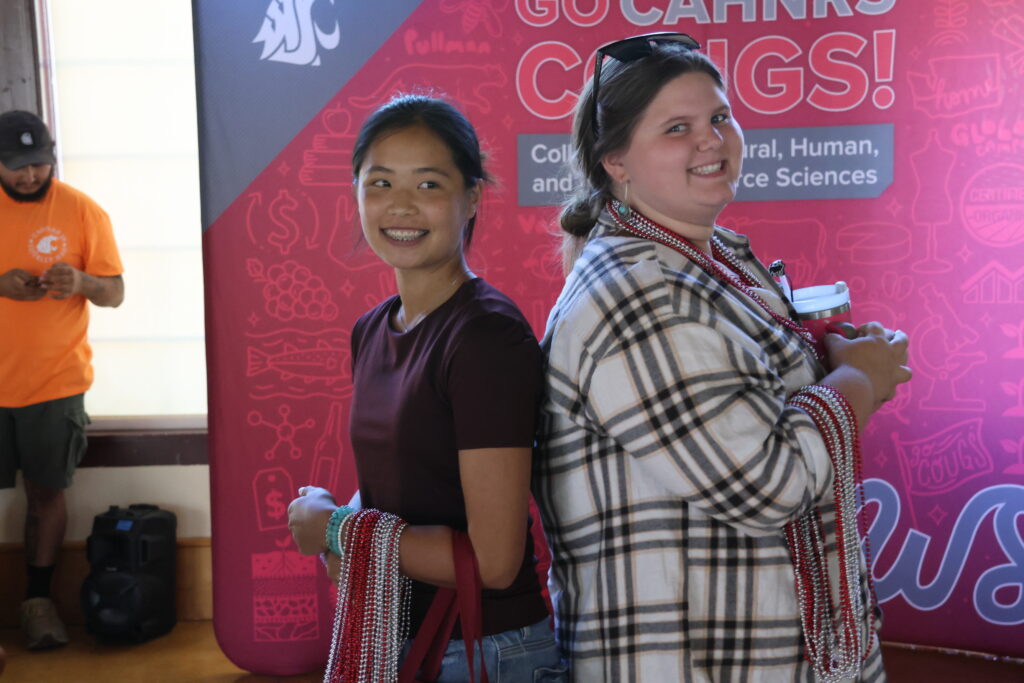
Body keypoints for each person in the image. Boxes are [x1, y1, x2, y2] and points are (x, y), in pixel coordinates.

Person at [533, 34, 911, 681]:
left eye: (718, 117)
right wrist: (859, 380)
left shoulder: (703, 254)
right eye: (676, 128)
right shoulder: (634, 294)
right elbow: (769, 482)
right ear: (616, 161)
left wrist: (837, 353)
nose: (711, 140)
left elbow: (750, 399)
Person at [287, 94, 565, 681]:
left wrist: (335, 529)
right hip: (401, 637)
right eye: (380, 183)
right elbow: (404, 498)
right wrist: (339, 517)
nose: (401, 206)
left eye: (430, 185)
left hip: (486, 649)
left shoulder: (485, 336)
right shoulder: (373, 329)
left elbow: (492, 561)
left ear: (471, 199)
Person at [0, 110, 125, 649]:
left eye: (37, 164)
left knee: (47, 495)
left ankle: (38, 602)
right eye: (14, 167)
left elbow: (115, 292)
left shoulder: (81, 211)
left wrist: (81, 280)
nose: (28, 176)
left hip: (55, 384)